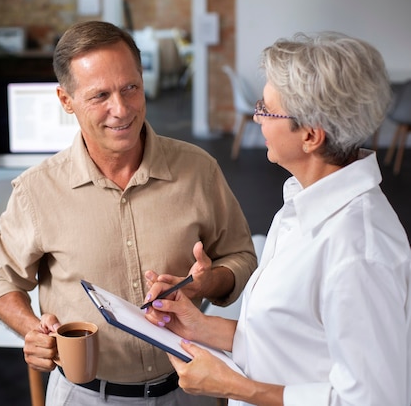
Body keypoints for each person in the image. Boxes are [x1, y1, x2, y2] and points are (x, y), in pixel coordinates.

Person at [0, 20, 257, 405]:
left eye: (131, 87)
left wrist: (205, 284)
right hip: (85, 397)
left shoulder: (199, 169)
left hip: (193, 389)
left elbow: (241, 256)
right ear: (66, 101)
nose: (122, 109)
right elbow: (0, 281)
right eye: (100, 96)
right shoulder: (36, 190)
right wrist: (32, 330)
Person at [145, 32, 411, 406]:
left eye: (266, 109)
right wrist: (200, 326)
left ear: (310, 136)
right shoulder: (303, 200)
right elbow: (290, 337)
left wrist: (231, 386)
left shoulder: (359, 251)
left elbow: (372, 400)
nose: (256, 117)